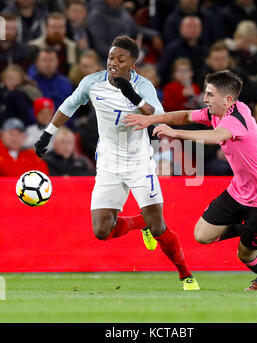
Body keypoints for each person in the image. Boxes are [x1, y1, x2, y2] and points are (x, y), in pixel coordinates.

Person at [34, 35, 199, 291]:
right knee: (101, 231)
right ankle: (138, 222)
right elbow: (70, 104)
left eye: (121, 59)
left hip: (139, 162)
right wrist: (48, 134)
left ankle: (185, 274)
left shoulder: (143, 86)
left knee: (158, 227)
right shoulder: (93, 82)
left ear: (132, 65)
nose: (113, 63)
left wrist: (133, 96)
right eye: (111, 57)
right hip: (109, 162)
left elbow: (158, 116)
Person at [124, 70, 257, 291]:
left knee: (245, 254)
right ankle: (252, 230)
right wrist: (151, 119)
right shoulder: (217, 113)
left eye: (209, 94)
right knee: (202, 235)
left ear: (227, 99)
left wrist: (176, 134)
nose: (204, 99)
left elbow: (217, 136)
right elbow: (186, 116)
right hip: (239, 192)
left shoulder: (238, 118)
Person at [28, 12, 77, 76]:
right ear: (47, 28)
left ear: (65, 29)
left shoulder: (72, 47)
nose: (57, 30)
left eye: (61, 27)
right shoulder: (34, 47)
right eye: (53, 27)